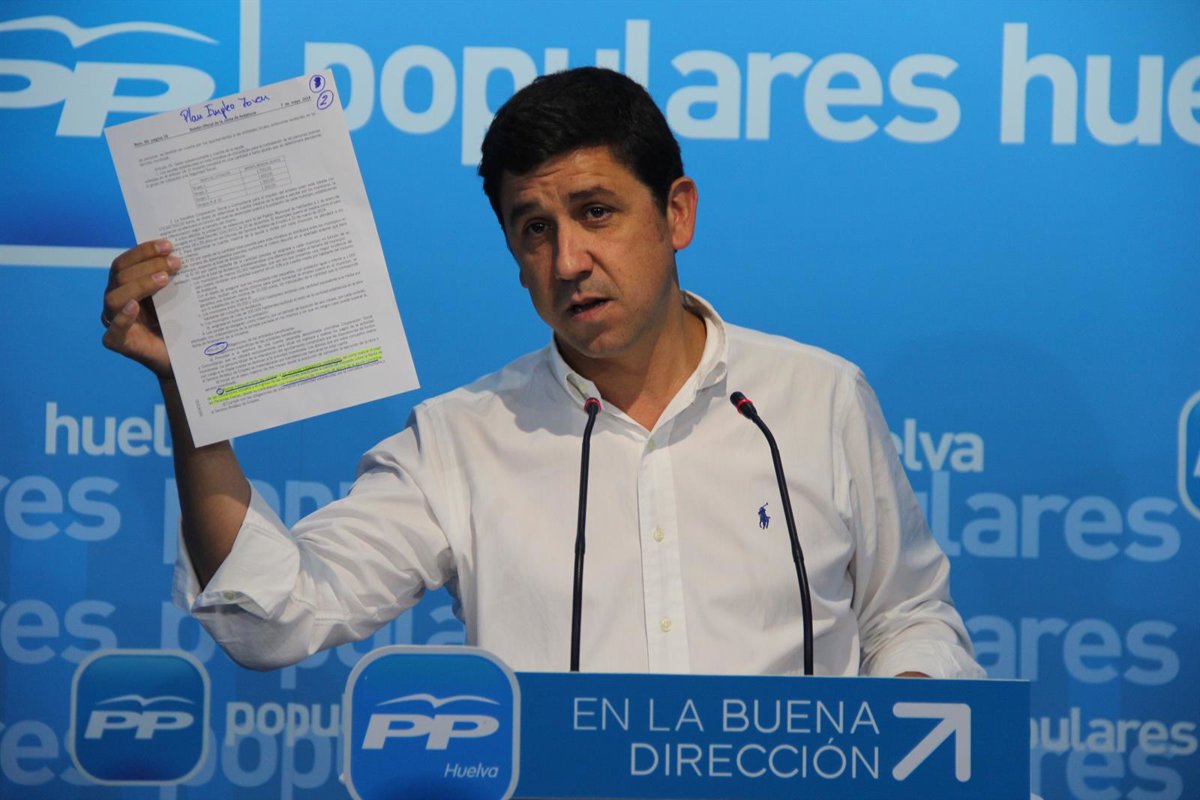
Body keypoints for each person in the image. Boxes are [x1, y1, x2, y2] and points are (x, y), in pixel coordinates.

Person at [101, 67, 983, 678]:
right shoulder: (461, 439)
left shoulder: (817, 398)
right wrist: (191, 393)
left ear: (677, 213)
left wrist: (899, 724)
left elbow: (906, 615)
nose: (567, 261)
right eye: (534, 230)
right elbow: (275, 616)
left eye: (596, 212)